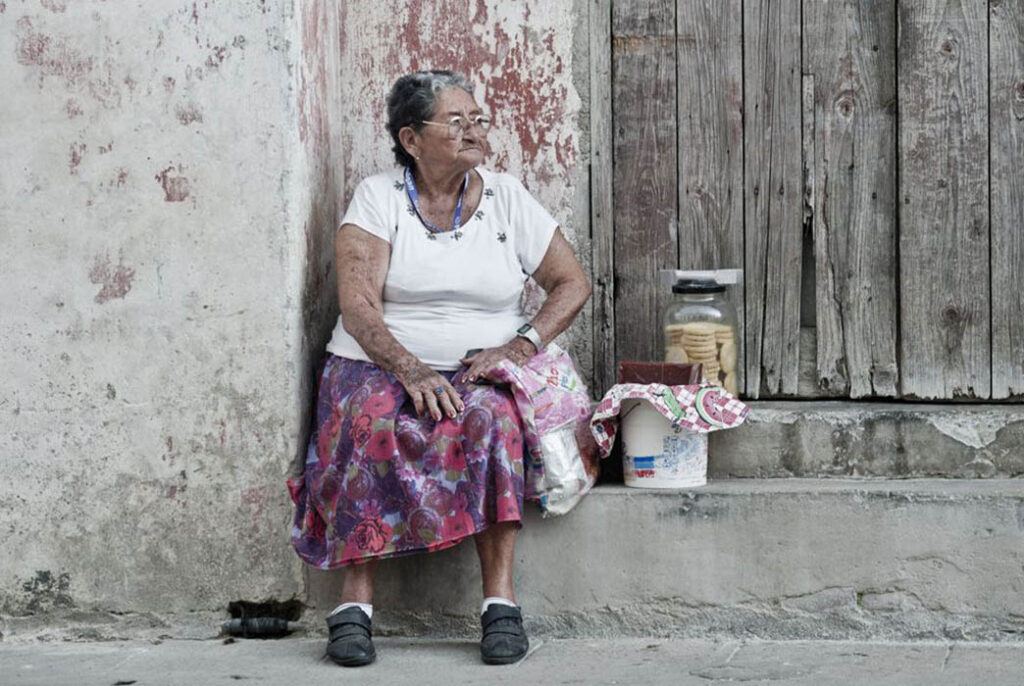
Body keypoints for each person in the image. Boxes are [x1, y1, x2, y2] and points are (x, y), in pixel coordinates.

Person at [287, 70, 592, 667]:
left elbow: (570, 283)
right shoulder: (378, 199)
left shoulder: (507, 197)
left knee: (493, 422)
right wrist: (409, 370)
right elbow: (358, 305)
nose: (476, 130)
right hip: (376, 361)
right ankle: (354, 604)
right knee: (371, 422)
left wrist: (519, 348)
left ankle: (500, 603)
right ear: (411, 139)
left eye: (478, 118)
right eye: (457, 121)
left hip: (479, 367)